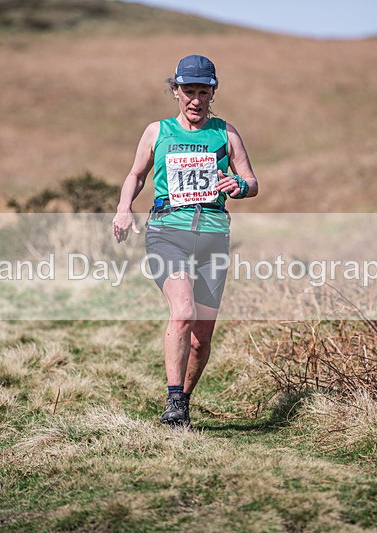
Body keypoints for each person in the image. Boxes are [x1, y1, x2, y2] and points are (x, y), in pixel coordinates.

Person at [112, 54, 259, 428]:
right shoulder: (157, 132)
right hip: (167, 234)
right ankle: (173, 400)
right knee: (183, 312)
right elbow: (136, 174)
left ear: (213, 93)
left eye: (203, 92)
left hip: (212, 238)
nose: (195, 99)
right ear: (175, 91)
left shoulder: (226, 133)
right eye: (188, 91)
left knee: (201, 339)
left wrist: (238, 186)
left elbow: (252, 182)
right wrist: (123, 208)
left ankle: (184, 403)